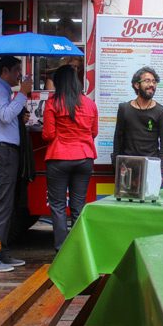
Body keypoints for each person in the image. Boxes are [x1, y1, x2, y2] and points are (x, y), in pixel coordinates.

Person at [0, 56, 33, 272]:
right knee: (1, 206)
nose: (20, 75)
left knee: (8, 205)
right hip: (1, 151)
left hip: (6, 150)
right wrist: (22, 94)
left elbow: (8, 116)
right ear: (5, 71)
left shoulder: (2, 90)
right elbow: (4, 115)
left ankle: (1, 252)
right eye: (17, 71)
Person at [42, 65, 98, 251]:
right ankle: (78, 249)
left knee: (58, 205)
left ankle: (61, 248)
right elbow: (94, 132)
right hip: (84, 157)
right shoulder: (90, 104)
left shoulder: (53, 103)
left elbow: (48, 135)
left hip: (59, 158)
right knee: (78, 204)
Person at [112, 66, 163, 183]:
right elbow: (118, 139)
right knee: (127, 201)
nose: (152, 85)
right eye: (147, 81)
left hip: (151, 167)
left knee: (151, 201)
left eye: (154, 82)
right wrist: (117, 166)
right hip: (128, 167)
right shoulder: (124, 109)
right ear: (136, 85)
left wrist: (159, 171)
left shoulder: (161, 112)